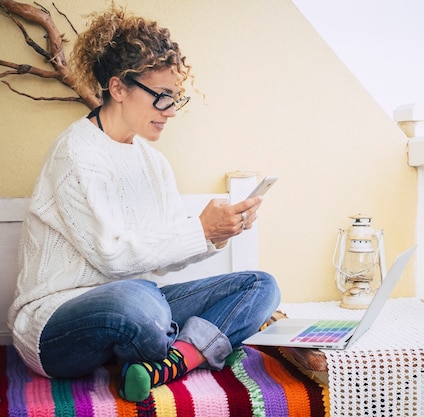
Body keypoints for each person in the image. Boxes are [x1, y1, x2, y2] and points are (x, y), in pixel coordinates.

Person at [7, 5, 280, 403]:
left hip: (136, 302)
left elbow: (164, 256)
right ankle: (187, 343)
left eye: (176, 99)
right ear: (118, 88)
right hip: (56, 322)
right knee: (139, 302)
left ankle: (171, 362)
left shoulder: (153, 162)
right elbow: (113, 259)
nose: (170, 111)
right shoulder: (76, 154)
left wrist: (217, 234)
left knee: (260, 286)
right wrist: (199, 229)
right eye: (162, 98)